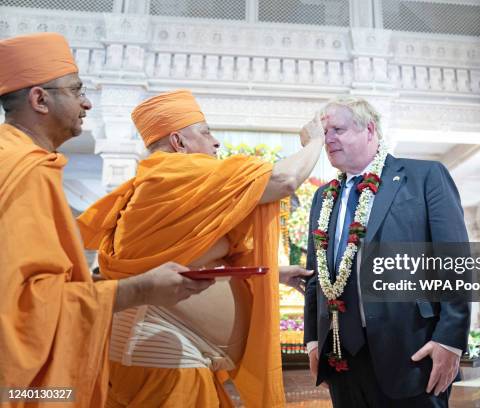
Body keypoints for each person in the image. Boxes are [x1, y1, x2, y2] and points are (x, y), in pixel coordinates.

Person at [0, 33, 212, 407]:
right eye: (76, 90)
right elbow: (24, 307)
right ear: (39, 99)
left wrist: (99, 281)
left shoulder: (19, 161)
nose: (86, 102)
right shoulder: (22, 171)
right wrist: (139, 289)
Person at [77, 89, 325, 407]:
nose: (216, 142)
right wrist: (314, 141)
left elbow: (188, 257)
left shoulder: (165, 185)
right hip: (161, 349)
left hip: (163, 348)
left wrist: (276, 273)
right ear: (179, 142)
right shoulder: (175, 174)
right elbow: (285, 179)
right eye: (206, 133)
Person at [303, 96, 471, 407]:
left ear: (369, 129)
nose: (327, 139)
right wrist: (313, 340)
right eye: (324, 132)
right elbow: (315, 277)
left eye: (337, 129)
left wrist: (451, 340)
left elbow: (455, 262)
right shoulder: (322, 197)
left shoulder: (423, 177)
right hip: (342, 359)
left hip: (412, 353)